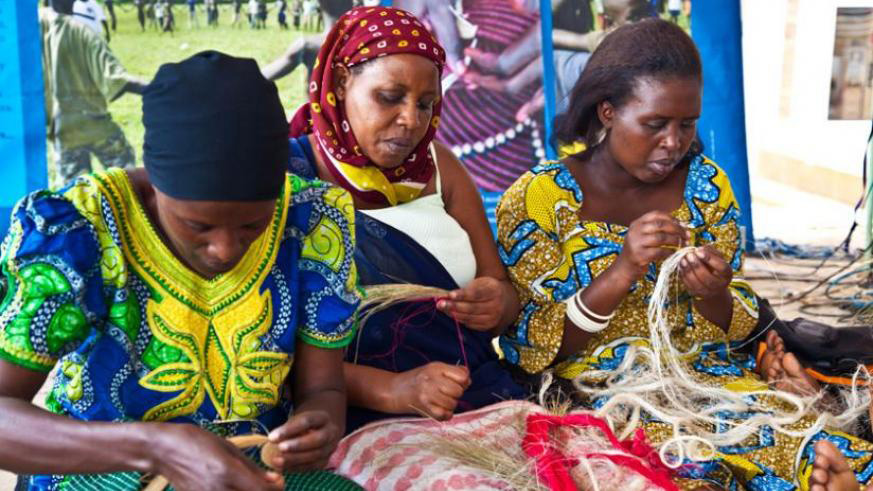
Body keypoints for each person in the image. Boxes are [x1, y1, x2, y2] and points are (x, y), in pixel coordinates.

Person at [496, 19, 873, 490]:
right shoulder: (539, 200)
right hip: (605, 396)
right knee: (690, 469)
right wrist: (622, 269)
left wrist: (712, 293)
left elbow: (733, 322)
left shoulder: (705, 188)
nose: (673, 142)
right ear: (608, 112)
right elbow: (529, 347)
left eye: (687, 124)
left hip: (710, 380)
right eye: (654, 124)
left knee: (794, 439)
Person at [0, 51, 361, 491]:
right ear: (154, 180)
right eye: (198, 225)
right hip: (99, 467)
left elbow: (324, 389)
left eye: (252, 224)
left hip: (250, 463)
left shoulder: (312, 220)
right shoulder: (78, 231)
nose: (225, 249)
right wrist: (157, 448)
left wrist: (315, 426)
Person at [286, 6, 525, 431]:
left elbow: (503, 294)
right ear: (342, 81)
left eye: (426, 103)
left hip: (481, 398)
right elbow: (269, 351)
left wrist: (495, 303)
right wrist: (394, 389)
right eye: (390, 97)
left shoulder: (440, 167)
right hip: (361, 422)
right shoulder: (291, 182)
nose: (411, 120)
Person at [41, 0, 146, 189]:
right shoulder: (82, 32)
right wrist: (159, 87)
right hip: (93, 123)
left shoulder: (35, 26)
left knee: (73, 191)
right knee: (126, 175)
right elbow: (117, 79)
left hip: (60, 128)